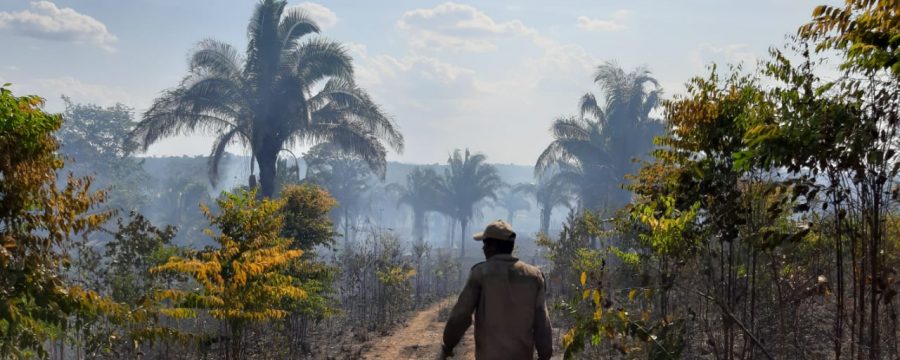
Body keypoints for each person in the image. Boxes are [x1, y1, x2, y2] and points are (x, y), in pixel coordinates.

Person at [440, 220, 553, 360]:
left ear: (492, 246)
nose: (483, 249)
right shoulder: (533, 276)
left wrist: (448, 346)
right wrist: (545, 355)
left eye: (485, 244)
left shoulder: (481, 273)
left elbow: (461, 316)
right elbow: (542, 322)